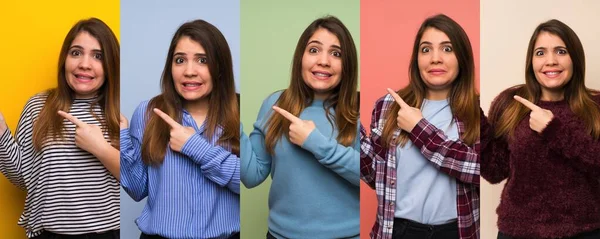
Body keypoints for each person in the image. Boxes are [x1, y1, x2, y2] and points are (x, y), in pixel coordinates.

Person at [360, 14, 480, 239]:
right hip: (399, 231)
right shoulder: (388, 106)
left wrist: (419, 129)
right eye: (426, 49)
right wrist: (350, 128)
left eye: (447, 49)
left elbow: (478, 170)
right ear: (416, 58)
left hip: (457, 231)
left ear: (461, 57)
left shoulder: (478, 111)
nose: (435, 58)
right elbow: (376, 177)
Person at [240, 16, 360, 239]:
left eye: (336, 54)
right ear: (301, 57)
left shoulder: (358, 108)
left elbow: (367, 174)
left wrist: (315, 142)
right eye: (314, 50)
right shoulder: (275, 104)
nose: (323, 61)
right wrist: (230, 121)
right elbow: (252, 175)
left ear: (347, 65)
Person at [0, 18, 120, 238]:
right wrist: (0, 132)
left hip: (104, 233)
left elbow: (136, 180)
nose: (84, 63)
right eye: (76, 53)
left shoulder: (117, 112)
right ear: (65, 59)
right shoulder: (38, 106)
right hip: (47, 233)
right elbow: (22, 177)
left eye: (97, 56)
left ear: (110, 65)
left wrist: (100, 148)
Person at [120, 19, 240, 239]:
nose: (189, 71)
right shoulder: (149, 112)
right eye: (180, 60)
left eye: (202, 60)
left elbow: (246, 184)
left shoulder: (240, 112)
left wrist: (195, 147)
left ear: (220, 69)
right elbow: (137, 189)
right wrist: (123, 137)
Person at [481, 19, 600, 239]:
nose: (551, 61)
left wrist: (554, 131)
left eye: (561, 51)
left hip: (586, 231)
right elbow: (495, 172)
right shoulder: (510, 102)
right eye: (540, 53)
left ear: (575, 58)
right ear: (531, 61)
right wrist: (478, 124)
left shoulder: (595, 106)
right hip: (517, 232)